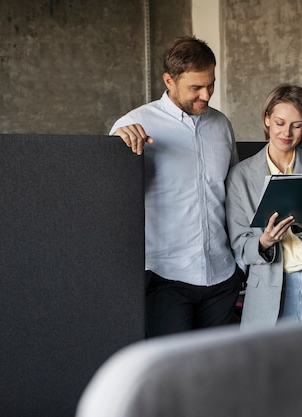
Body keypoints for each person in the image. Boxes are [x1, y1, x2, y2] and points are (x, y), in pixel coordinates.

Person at [110, 36, 243, 336]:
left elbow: (233, 193)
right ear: (169, 80)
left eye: (211, 84)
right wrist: (115, 147)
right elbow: (110, 199)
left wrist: (241, 266)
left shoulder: (222, 125)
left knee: (216, 370)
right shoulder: (132, 126)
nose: (207, 95)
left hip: (222, 276)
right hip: (165, 278)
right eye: (196, 87)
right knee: (174, 375)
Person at [225, 84, 302, 330]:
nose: (287, 133)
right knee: (274, 365)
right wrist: (265, 241)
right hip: (270, 289)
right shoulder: (240, 176)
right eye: (280, 122)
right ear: (267, 119)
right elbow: (240, 244)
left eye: (297, 125)